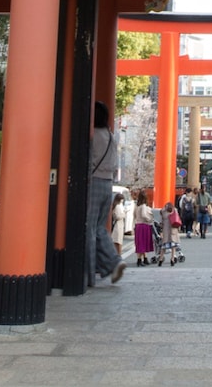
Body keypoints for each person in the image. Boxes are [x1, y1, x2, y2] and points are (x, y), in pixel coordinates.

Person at [86, 101, 126, 286]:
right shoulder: (111, 136)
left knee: (89, 229)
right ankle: (114, 261)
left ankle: (88, 274)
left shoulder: (93, 135)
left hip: (93, 182)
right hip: (108, 184)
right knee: (100, 228)